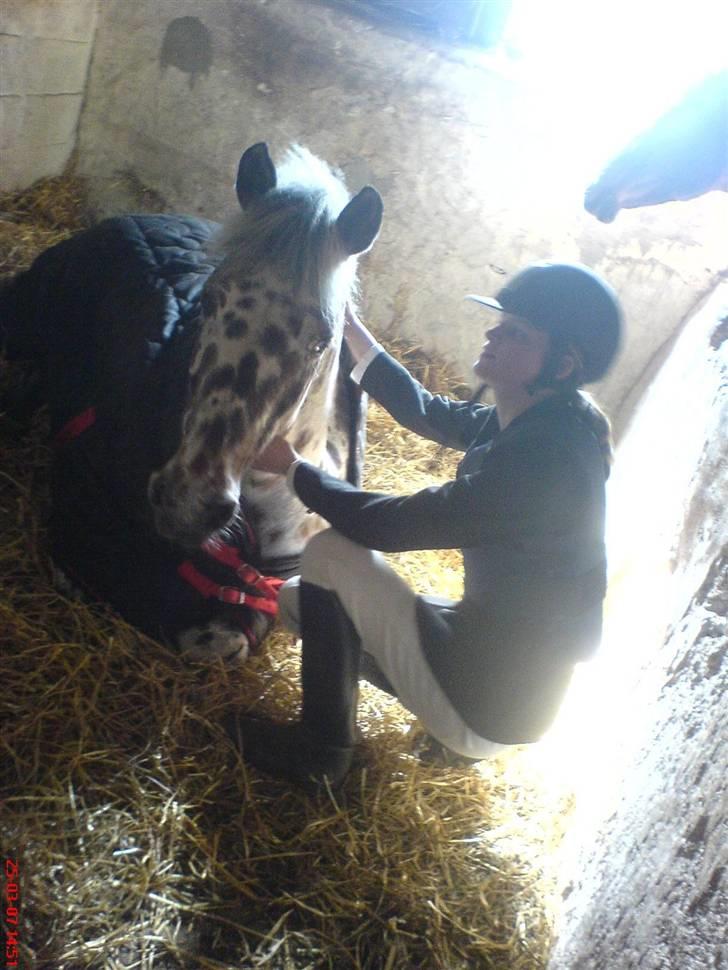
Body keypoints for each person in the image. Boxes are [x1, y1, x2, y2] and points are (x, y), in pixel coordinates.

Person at [224, 262, 623, 792]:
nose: (493, 333)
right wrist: (347, 326)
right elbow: (428, 412)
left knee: (329, 555)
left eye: (517, 333)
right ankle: (433, 733)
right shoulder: (548, 419)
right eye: (500, 321)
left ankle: (320, 754)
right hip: (506, 673)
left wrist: (295, 469)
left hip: (490, 706)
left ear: (563, 362)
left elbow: (389, 526)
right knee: (301, 601)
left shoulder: (541, 464)